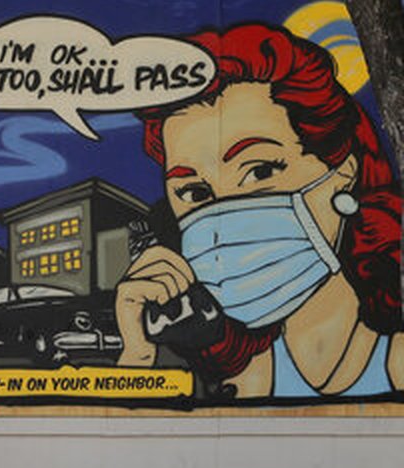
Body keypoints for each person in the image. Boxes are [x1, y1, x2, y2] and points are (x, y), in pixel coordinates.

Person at [116, 23, 403, 397]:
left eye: (260, 171)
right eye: (194, 191)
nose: (223, 216)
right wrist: (138, 355)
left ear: (343, 174)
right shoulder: (247, 381)